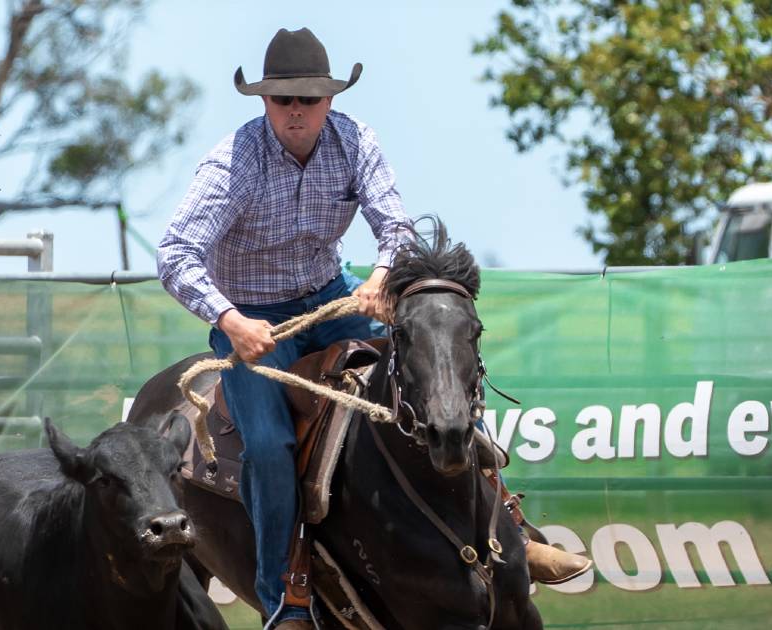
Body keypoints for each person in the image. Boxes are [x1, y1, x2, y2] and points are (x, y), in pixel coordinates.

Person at [158, 27, 587, 630]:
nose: (297, 111)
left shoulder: (355, 140)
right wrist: (230, 321)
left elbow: (396, 228)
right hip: (255, 322)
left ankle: (511, 531)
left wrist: (383, 276)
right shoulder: (234, 163)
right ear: (264, 103)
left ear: (330, 99)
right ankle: (285, 598)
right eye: (284, 100)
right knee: (270, 446)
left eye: (309, 98)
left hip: (334, 299)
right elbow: (176, 252)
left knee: (434, 367)